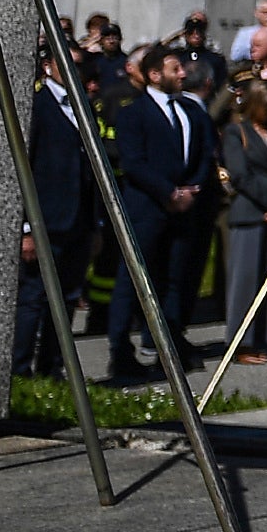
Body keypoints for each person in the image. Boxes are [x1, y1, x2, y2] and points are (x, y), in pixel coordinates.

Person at [105, 44, 215, 379]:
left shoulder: (192, 112)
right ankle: (120, 351)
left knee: (174, 280)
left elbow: (204, 154)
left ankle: (168, 343)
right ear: (155, 75)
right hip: (148, 208)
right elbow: (134, 163)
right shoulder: (133, 113)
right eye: (174, 69)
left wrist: (190, 189)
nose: (182, 74)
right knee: (134, 279)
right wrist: (168, 192)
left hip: (183, 210)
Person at [14, 51, 97, 379]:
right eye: (68, 63)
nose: (74, 70)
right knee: (34, 297)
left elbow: (90, 172)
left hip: (77, 222)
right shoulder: (38, 105)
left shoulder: (83, 106)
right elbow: (26, 167)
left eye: (78, 64)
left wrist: (95, 225)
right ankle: (19, 370)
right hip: (45, 221)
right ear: (49, 66)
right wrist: (26, 227)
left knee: (64, 299)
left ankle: (51, 366)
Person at [218, 71, 267, 363]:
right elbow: (239, 174)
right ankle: (241, 343)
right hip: (249, 213)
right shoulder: (236, 132)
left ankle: (264, 337)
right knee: (245, 280)